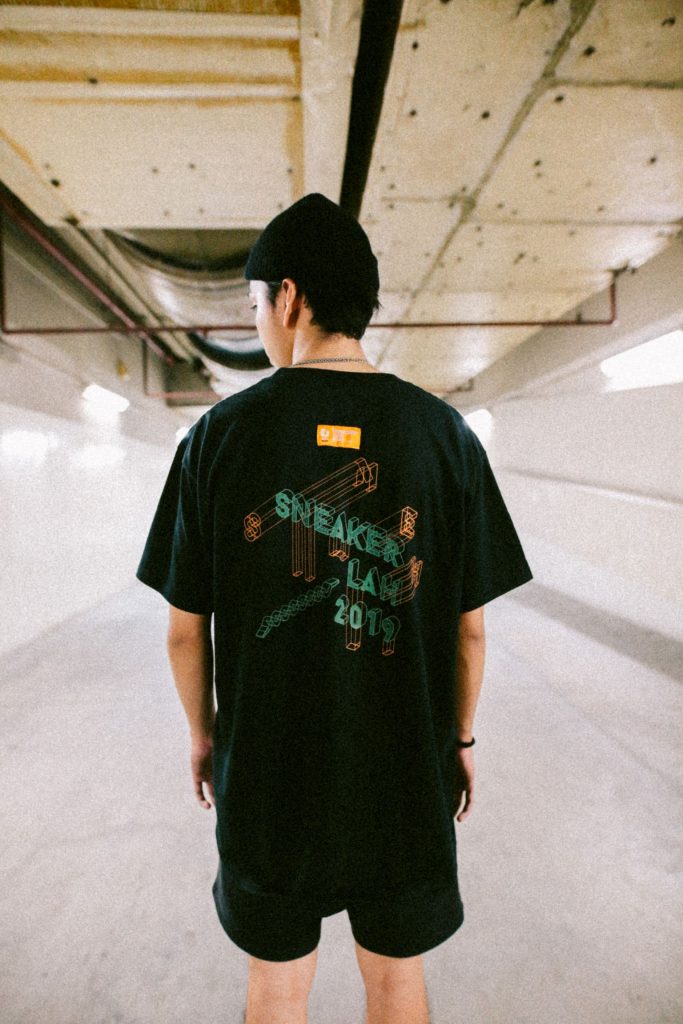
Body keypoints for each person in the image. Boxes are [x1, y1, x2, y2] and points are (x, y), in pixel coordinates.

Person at [136, 192, 534, 1024]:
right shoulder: (444, 436)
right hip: (403, 769)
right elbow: (468, 630)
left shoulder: (217, 436)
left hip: (267, 772)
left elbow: (183, 633)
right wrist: (459, 740)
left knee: (277, 985)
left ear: (287, 297)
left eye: (255, 305)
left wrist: (206, 738)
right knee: (395, 979)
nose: (260, 323)